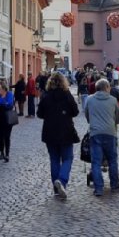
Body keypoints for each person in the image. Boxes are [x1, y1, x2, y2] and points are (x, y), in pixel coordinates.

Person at [37, 71, 80, 199]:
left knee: (54, 159)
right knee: (67, 158)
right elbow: (75, 111)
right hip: (66, 131)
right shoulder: (67, 95)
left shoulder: (46, 96)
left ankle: (56, 189)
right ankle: (61, 180)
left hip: (50, 132)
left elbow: (39, 114)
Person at [85, 77, 119, 197]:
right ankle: (114, 185)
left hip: (95, 133)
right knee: (112, 160)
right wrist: (113, 123)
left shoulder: (89, 100)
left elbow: (87, 116)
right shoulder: (113, 100)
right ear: (106, 88)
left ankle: (99, 189)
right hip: (110, 133)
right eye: (109, 87)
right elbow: (118, 118)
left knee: (96, 162)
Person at [0, 81, 15, 161]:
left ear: (4, 88)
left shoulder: (10, 94)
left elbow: (10, 105)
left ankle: (7, 154)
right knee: (0, 136)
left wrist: (0, 103)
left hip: (8, 118)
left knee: (7, 136)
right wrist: (2, 104)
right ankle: (1, 152)